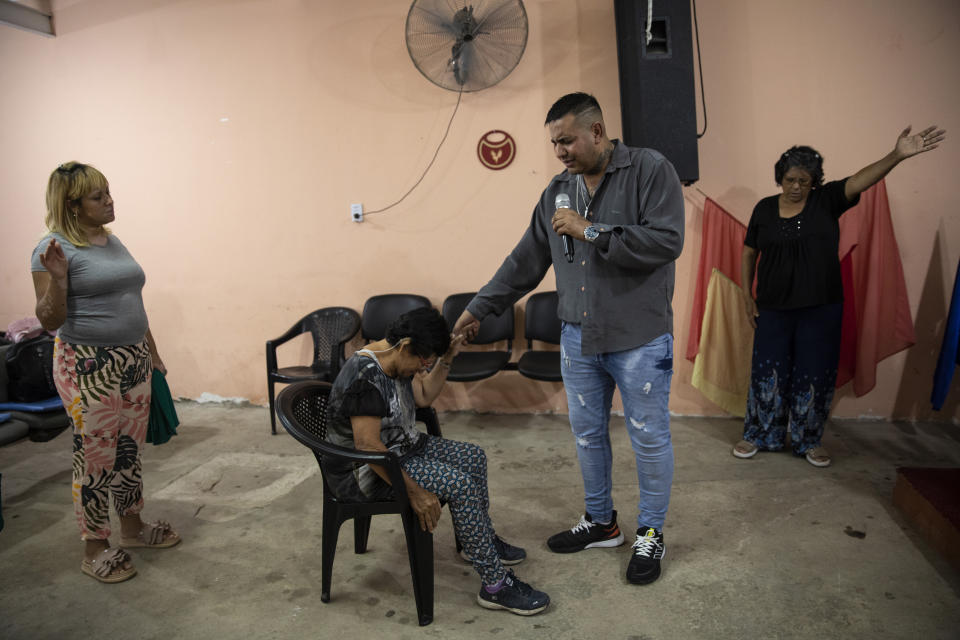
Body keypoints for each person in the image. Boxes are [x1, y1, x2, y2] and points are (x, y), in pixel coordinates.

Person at [453, 92, 685, 586]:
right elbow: (526, 261)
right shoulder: (558, 191)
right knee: (586, 437)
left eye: (566, 140)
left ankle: (650, 532)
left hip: (639, 337)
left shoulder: (649, 170)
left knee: (648, 438)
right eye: (553, 143)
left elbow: (667, 241)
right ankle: (602, 523)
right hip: (578, 337)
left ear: (597, 132)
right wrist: (478, 308)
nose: (559, 152)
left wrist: (592, 230)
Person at [733, 125, 947, 467]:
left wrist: (896, 155)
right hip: (773, 308)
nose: (796, 186)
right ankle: (760, 434)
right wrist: (747, 295)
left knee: (814, 372)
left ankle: (808, 440)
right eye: (790, 179)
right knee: (767, 372)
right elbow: (748, 252)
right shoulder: (763, 209)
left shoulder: (826, 201)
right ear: (780, 178)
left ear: (815, 182)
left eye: (804, 180)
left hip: (821, 309)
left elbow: (862, 179)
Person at [325, 307, 549, 616]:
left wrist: (447, 357)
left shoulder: (396, 357)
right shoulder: (365, 374)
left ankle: (476, 542)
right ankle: (495, 586)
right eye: (422, 361)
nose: (422, 369)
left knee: (474, 458)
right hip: (367, 471)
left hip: (401, 447)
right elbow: (367, 445)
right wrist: (415, 492)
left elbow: (425, 395)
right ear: (405, 347)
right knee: (461, 486)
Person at [31, 162, 180, 584]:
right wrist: (58, 281)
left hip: (132, 359)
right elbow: (47, 319)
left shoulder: (111, 241)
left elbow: (131, 298)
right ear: (72, 205)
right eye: (98, 197)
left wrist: (151, 351)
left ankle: (131, 529)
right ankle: (93, 547)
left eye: (108, 192)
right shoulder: (52, 249)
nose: (110, 201)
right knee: (95, 458)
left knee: (128, 452)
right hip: (87, 365)